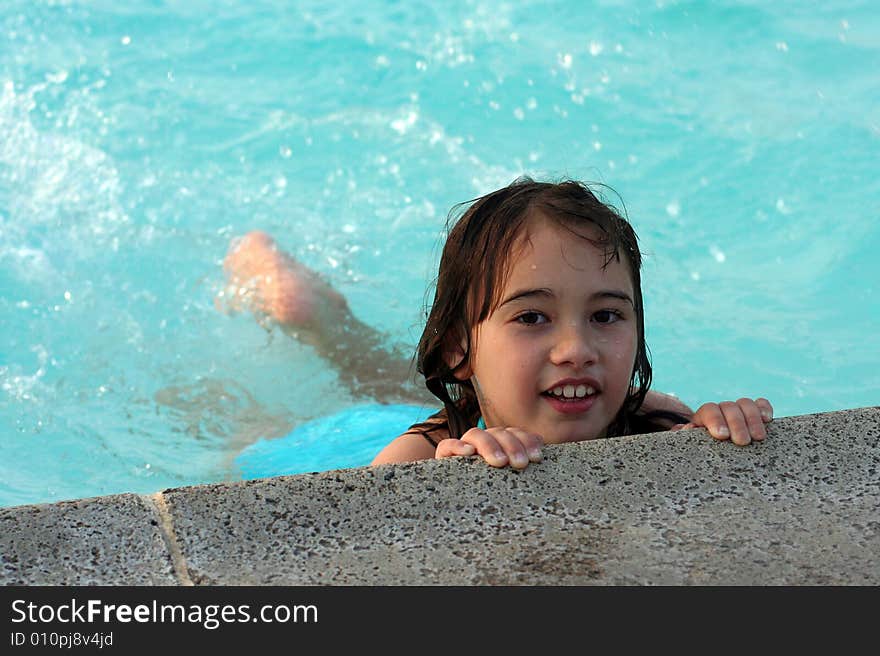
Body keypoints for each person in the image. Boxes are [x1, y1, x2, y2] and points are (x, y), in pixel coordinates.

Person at [220, 178, 772, 472]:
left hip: (467, 400)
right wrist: (442, 488)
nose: (577, 349)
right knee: (244, 433)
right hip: (334, 442)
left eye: (605, 315)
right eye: (532, 317)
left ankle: (314, 310)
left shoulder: (652, 415)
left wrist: (721, 424)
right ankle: (294, 298)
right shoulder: (416, 455)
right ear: (457, 347)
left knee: (385, 381)